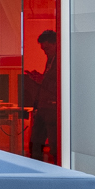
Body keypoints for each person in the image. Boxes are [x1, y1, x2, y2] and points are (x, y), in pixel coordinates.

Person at [26, 29, 60, 164]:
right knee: (35, 143)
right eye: (43, 49)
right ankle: (35, 168)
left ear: (56, 44)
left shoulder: (61, 60)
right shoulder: (51, 59)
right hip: (44, 106)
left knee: (54, 146)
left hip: (52, 107)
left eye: (47, 48)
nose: (45, 52)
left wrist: (42, 80)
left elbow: (61, 85)